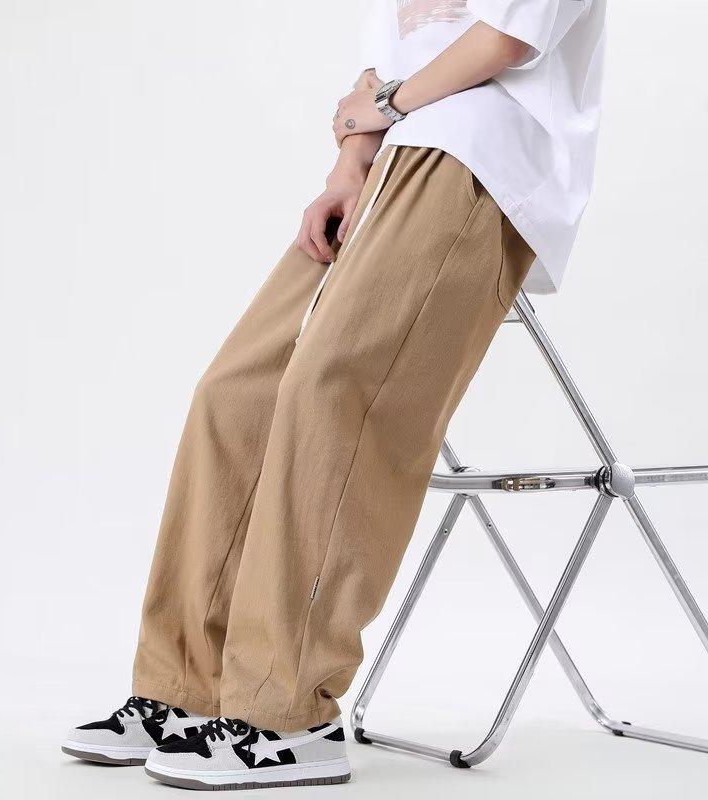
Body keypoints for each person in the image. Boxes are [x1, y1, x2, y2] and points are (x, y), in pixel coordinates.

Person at [63, 0, 606, 790]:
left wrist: (384, 106)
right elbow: (376, 72)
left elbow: (503, 40)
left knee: (331, 396)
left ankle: (289, 712)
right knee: (233, 395)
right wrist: (348, 167)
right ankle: (187, 689)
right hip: (390, 164)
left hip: (478, 161)